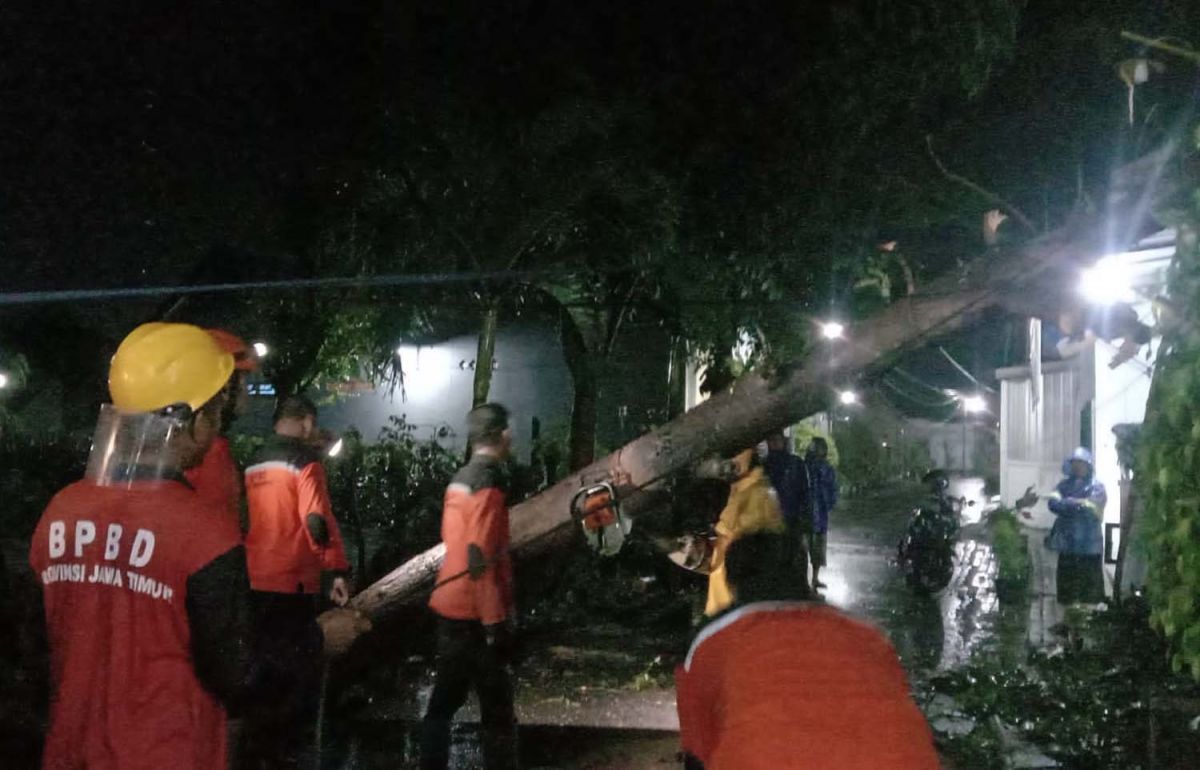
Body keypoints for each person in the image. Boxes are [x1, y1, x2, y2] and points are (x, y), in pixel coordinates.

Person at [29, 322, 256, 769]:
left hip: (68, 751)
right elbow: (237, 675)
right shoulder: (203, 532)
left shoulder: (60, 511)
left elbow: (40, 644)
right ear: (188, 421)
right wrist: (315, 642)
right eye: (213, 411)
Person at [676, 532, 940, 770]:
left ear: (732, 579)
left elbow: (698, 746)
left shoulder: (712, 639)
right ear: (803, 571)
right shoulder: (866, 634)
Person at [243, 395, 351, 767]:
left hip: (255, 579)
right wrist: (335, 569)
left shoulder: (253, 461)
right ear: (306, 422)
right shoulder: (305, 461)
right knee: (297, 674)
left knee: (263, 671)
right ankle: (289, 754)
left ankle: (259, 752)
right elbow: (316, 520)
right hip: (293, 581)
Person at [423, 403, 518, 770]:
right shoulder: (489, 482)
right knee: (497, 706)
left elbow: (458, 543)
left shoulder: (461, 477)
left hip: (449, 603)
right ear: (503, 434)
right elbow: (480, 556)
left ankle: (429, 763)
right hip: (474, 614)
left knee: (445, 699)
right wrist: (496, 622)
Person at [184, 328, 258, 530]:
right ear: (223, 389)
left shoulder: (202, 447)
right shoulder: (207, 455)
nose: (246, 394)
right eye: (243, 383)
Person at [705, 448, 785, 617]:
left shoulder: (754, 491)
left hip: (740, 568)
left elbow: (733, 527)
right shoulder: (751, 487)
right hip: (737, 566)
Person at [1043, 447, 1107, 605]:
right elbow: (1053, 504)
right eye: (1075, 464)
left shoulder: (1097, 487)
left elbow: (1091, 508)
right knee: (1067, 591)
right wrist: (1077, 502)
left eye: (1082, 464)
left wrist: (1068, 503)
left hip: (1089, 546)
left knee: (1089, 591)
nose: (1078, 467)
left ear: (1089, 466)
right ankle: (1068, 620)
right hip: (1067, 545)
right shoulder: (1062, 486)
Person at [762, 431, 812, 591]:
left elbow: (805, 492)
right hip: (770, 522)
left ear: (784, 441)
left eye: (776, 440)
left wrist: (805, 516)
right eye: (771, 440)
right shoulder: (764, 465)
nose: (773, 444)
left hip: (792, 519)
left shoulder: (796, 463)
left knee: (794, 555)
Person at [805, 437, 838, 591]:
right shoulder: (806, 467)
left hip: (818, 515)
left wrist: (828, 503)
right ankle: (808, 579)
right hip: (806, 515)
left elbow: (832, 490)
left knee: (817, 550)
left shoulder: (825, 469)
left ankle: (814, 578)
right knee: (805, 549)